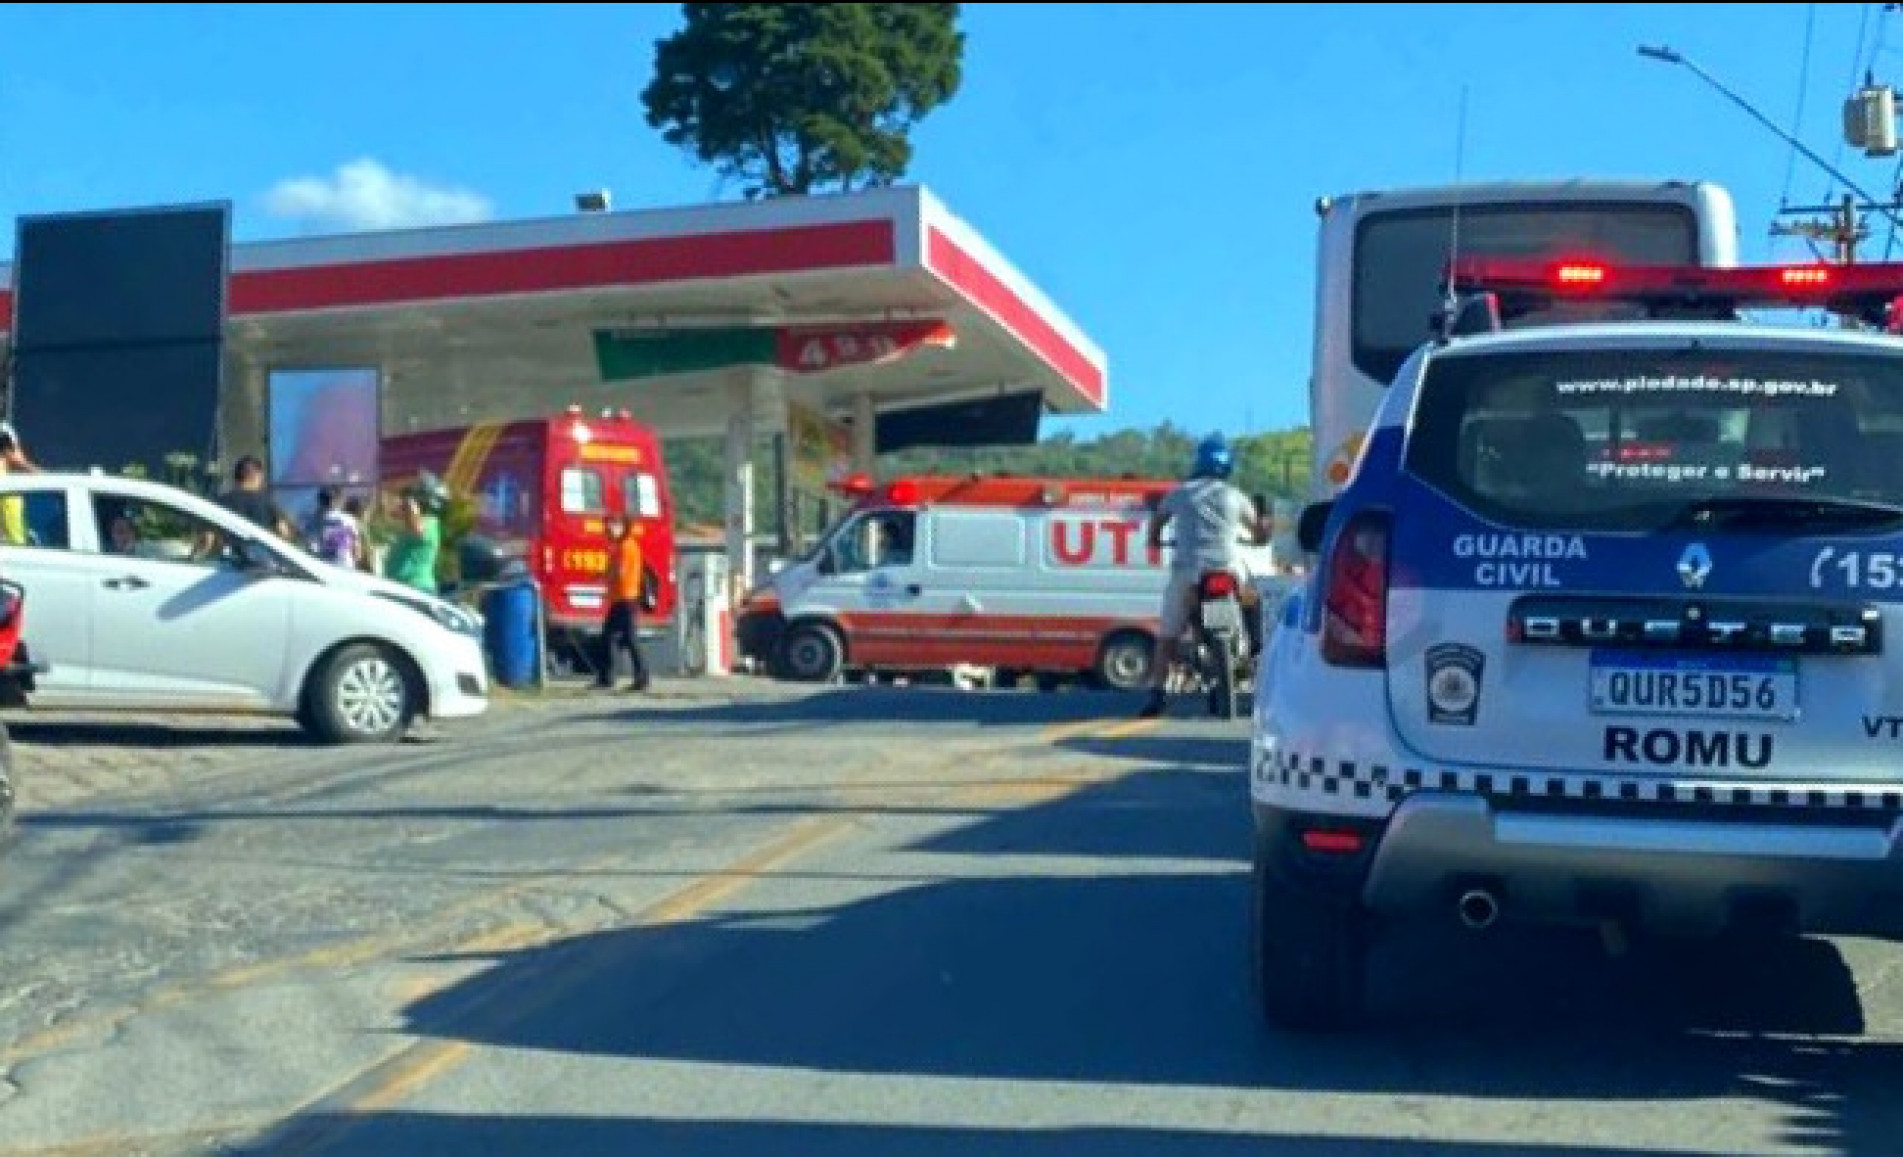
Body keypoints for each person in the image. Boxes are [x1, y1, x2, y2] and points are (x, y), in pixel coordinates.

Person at [1140, 433, 1266, 719]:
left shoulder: (1178, 493)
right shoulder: (1236, 496)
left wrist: (1155, 541)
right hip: (1227, 568)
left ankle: (1157, 694)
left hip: (1188, 571)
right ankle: (1255, 644)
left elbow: (1157, 522)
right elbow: (1257, 531)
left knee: (1167, 635)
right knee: (1251, 598)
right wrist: (1256, 538)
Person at [594, 513, 652, 692]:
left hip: (627, 598)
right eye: (607, 526)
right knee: (609, 637)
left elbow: (619, 572)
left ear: (622, 526)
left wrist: (605, 577)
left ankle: (641, 677)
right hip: (619, 598)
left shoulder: (627, 546)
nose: (608, 530)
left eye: (612, 525)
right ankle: (606, 676)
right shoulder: (619, 546)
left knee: (629, 638)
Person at [383, 476, 446, 595]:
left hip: (416, 587)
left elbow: (417, 529)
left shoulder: (431, 521)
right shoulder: (415, 520)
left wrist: (409, 500)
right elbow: (392, 513)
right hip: (402, 586)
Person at [217, 456, 296, 541]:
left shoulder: (222, 501)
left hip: (229, 552)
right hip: (259, 552)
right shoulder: (265, 503)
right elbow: (283, 531)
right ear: (257, 475)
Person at [309, 487, 364, 570]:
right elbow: (357, 551)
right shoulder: (348, 520)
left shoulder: (313, 522)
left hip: (322, 567)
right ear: (337, 501)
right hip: (345, 566)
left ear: (320, 501)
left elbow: (311, 546)